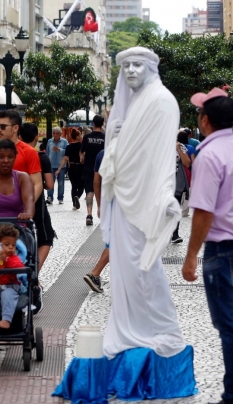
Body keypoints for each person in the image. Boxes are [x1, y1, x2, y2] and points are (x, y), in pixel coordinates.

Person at [97, 47, 193, 396]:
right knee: (124, 271)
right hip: (124, 202)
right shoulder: (131, 105)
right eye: (127, 66)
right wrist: (115, 136)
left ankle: (162, 330)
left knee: (145, 271)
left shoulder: (162, 102)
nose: (132, 71)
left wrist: (166, 196)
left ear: (151, 68)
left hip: (146, 203)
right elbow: (114, 157)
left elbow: (161, 156)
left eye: (139, 65)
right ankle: (126, 331)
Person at [182, 88, 233, 404]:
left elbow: (203, 210)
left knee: (229, 326)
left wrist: (190, 257)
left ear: (205, 120)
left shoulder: (209, 154)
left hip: (223, 250)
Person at [20, 123, 56, 274]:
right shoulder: (41, 157)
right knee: (46, 237)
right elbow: (49, 184)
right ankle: (33, 274)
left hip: (16, 202)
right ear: (37, 137)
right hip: (37, 204)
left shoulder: (14, 154)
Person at [0, 110, 43, 202]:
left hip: (23, 209)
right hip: (1, 208)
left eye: (3, 126)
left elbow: (37, 183)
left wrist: (27, 207)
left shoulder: (29, 152)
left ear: (15, 128)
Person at [84, 149, 109, 293]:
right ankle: (95, 273)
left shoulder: (102, 153)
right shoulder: (133, 149)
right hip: (127, 205)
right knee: (117, 241)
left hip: (108, 202)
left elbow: (96, 182)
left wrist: (100, 205)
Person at [80, 115, 105, 226]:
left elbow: (82, 152)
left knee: (89, 192)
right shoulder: (105, 137)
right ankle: (103, 211)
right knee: (103, 191)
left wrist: (81, 158)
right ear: (103, 124)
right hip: (103, 168)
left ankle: (89, 215)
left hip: (89, 167)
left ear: (93, 124)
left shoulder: (86, 137)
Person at [58, 128, 84, 210]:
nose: (81, 136)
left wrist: (59, 169)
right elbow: (82, 156)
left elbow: (65, 158)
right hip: (80, 167)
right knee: (81, 186)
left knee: (74, 186)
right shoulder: (81, 146)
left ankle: (74, 205)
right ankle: (77, 196)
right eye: (80, 135)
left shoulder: (69, 147)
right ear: (77, 136)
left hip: (71, 168)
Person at [171, 137, 191, 244]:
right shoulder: (157, 143)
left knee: (176, 207)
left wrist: (178, 149)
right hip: (160, 182)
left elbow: (187, 163)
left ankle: (175, 234)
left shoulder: (180, 146)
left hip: (176, 182)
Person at [46, 127, 68, 205]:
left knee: (61, 183)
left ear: (60, 134)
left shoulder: (64, 142)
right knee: (50, 182)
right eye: (54, 133)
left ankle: (60, 198)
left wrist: (59, 150)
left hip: (61, 166)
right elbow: (47, 152)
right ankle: (50, 197)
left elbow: (67, 152)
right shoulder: (49, 141)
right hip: (51, 165)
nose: (55, 135)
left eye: (57, 133)